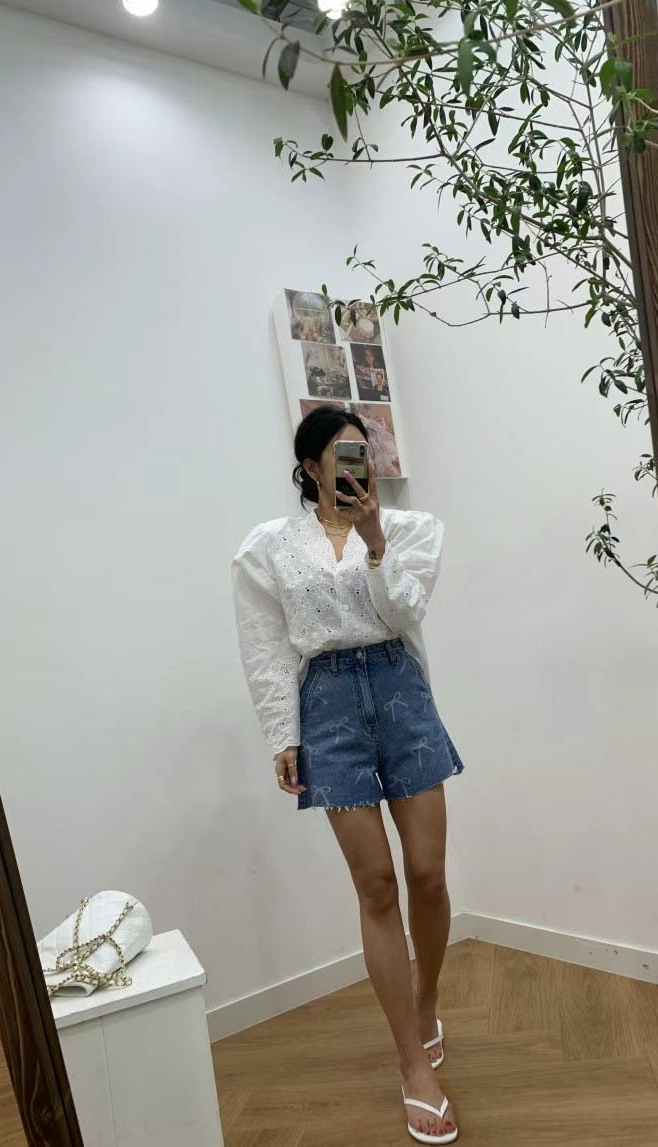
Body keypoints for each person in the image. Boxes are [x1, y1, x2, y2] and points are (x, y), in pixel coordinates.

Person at [232, 407, 463, 1144]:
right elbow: (266, 646)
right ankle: (412, 1065)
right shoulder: (267, 548)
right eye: (341, 453)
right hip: (326, 707)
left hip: (400, 692)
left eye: (364, 451)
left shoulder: (414, 529)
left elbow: (404, 611)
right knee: (377, 885)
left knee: (427, 873)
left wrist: (374, 542)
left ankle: (426, 999)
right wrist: (282, 734)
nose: (358, 464)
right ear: (310, 467)